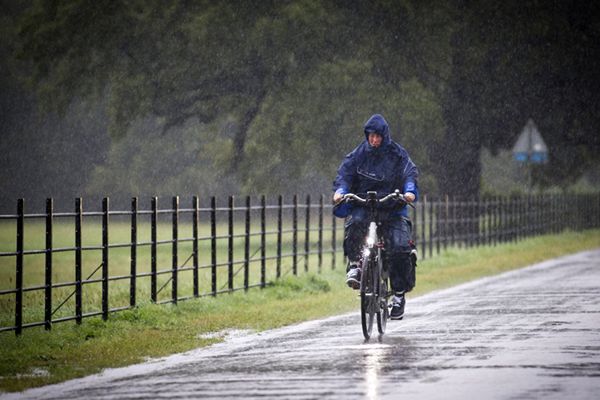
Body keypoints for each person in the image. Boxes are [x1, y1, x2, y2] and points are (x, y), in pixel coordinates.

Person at [332, 114, 418, 320]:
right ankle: (355, 264)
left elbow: (410, 174)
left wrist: (409, 191)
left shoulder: (398, 155)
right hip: (364, 205)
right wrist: (340, 191)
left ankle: (398, 295)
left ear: (385, 136)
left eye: (378, 136)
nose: (374, 140)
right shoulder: (358, 155)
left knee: (399, 247)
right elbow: (344, 175)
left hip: (392, 208)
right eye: (371, 136)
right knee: (354, 226)